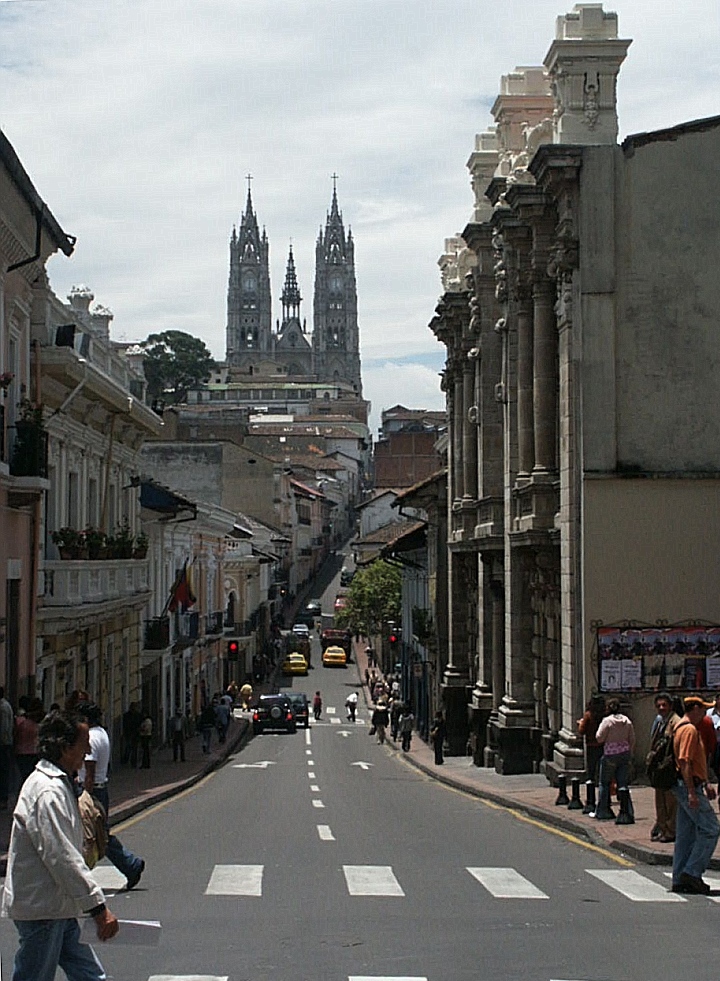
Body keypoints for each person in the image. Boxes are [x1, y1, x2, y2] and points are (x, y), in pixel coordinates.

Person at [2, 709, 119, 980]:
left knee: (89, 974)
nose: (88, 749)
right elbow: (62, 856)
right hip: (43, 909)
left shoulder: (59, 784)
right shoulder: (47, 792)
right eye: (83, 743)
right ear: (65, 748)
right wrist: (98, 908)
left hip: (58, 906)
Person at [78, 702, 145, 892]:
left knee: (96, 836)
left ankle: (130, 865)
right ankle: (130, 865)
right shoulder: (102, 733)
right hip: (101, 789)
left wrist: (86, 796)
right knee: (100, 834)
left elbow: (89, 772)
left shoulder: (90, 738)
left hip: (93, 790)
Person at [670, 695, 720, 894]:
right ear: (695, 709)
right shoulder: (689, 729)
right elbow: (684, 762)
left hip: (690, 784)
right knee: (711, 829)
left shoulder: (680, 727)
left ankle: (679, 876)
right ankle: (691, 873)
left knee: (686, 834)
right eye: (703, 709)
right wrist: (692, 792)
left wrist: (706, 782)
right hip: (688, 786)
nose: (705, 714)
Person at [594, 697, 636, 820]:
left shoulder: (607, 721)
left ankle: (603, 810)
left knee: (605, 783)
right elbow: (632, 739)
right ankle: (627, 811)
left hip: (610, 755)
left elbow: (599, 737)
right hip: (624, 754)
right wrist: (630, 753)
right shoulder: (627, 721)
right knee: (623, 784)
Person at [647, 691, 680, 842]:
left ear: (670, 706)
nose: (661, 708)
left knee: (670, 804)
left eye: (664, 705)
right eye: (659, 705)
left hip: (669, 769)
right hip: (658, 769)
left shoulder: (675, 722)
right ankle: (661, 828)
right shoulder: (659, 721)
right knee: (660, 802)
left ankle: (671, 831)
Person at [577, 695, 605, 785]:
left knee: (591, 765)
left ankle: (591, 781)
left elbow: (582, 730)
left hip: (591, 744)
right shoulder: (605, 715)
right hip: (603, 743)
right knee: (603, 765)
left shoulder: (588, 715)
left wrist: (580, 723)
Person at [14, 698, 43, 786]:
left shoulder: (21, 722)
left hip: (21, 753)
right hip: (34, 752)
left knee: (24, 776)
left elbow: (16, 735)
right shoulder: (40, 724)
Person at [0, 685, 15, 809]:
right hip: (5, 744)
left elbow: (4, 728)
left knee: (3, 772)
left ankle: (3, 799)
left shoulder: (3, 708)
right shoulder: (5, 705)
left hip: (3, 745)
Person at [121, 702, 142, 767]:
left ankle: (132, 762)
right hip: (130, 733)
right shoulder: (128, 715)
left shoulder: (137, 715)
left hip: (134, 734)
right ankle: (127, 760)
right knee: (129, 747)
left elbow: (139, 723)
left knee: (133, 748)